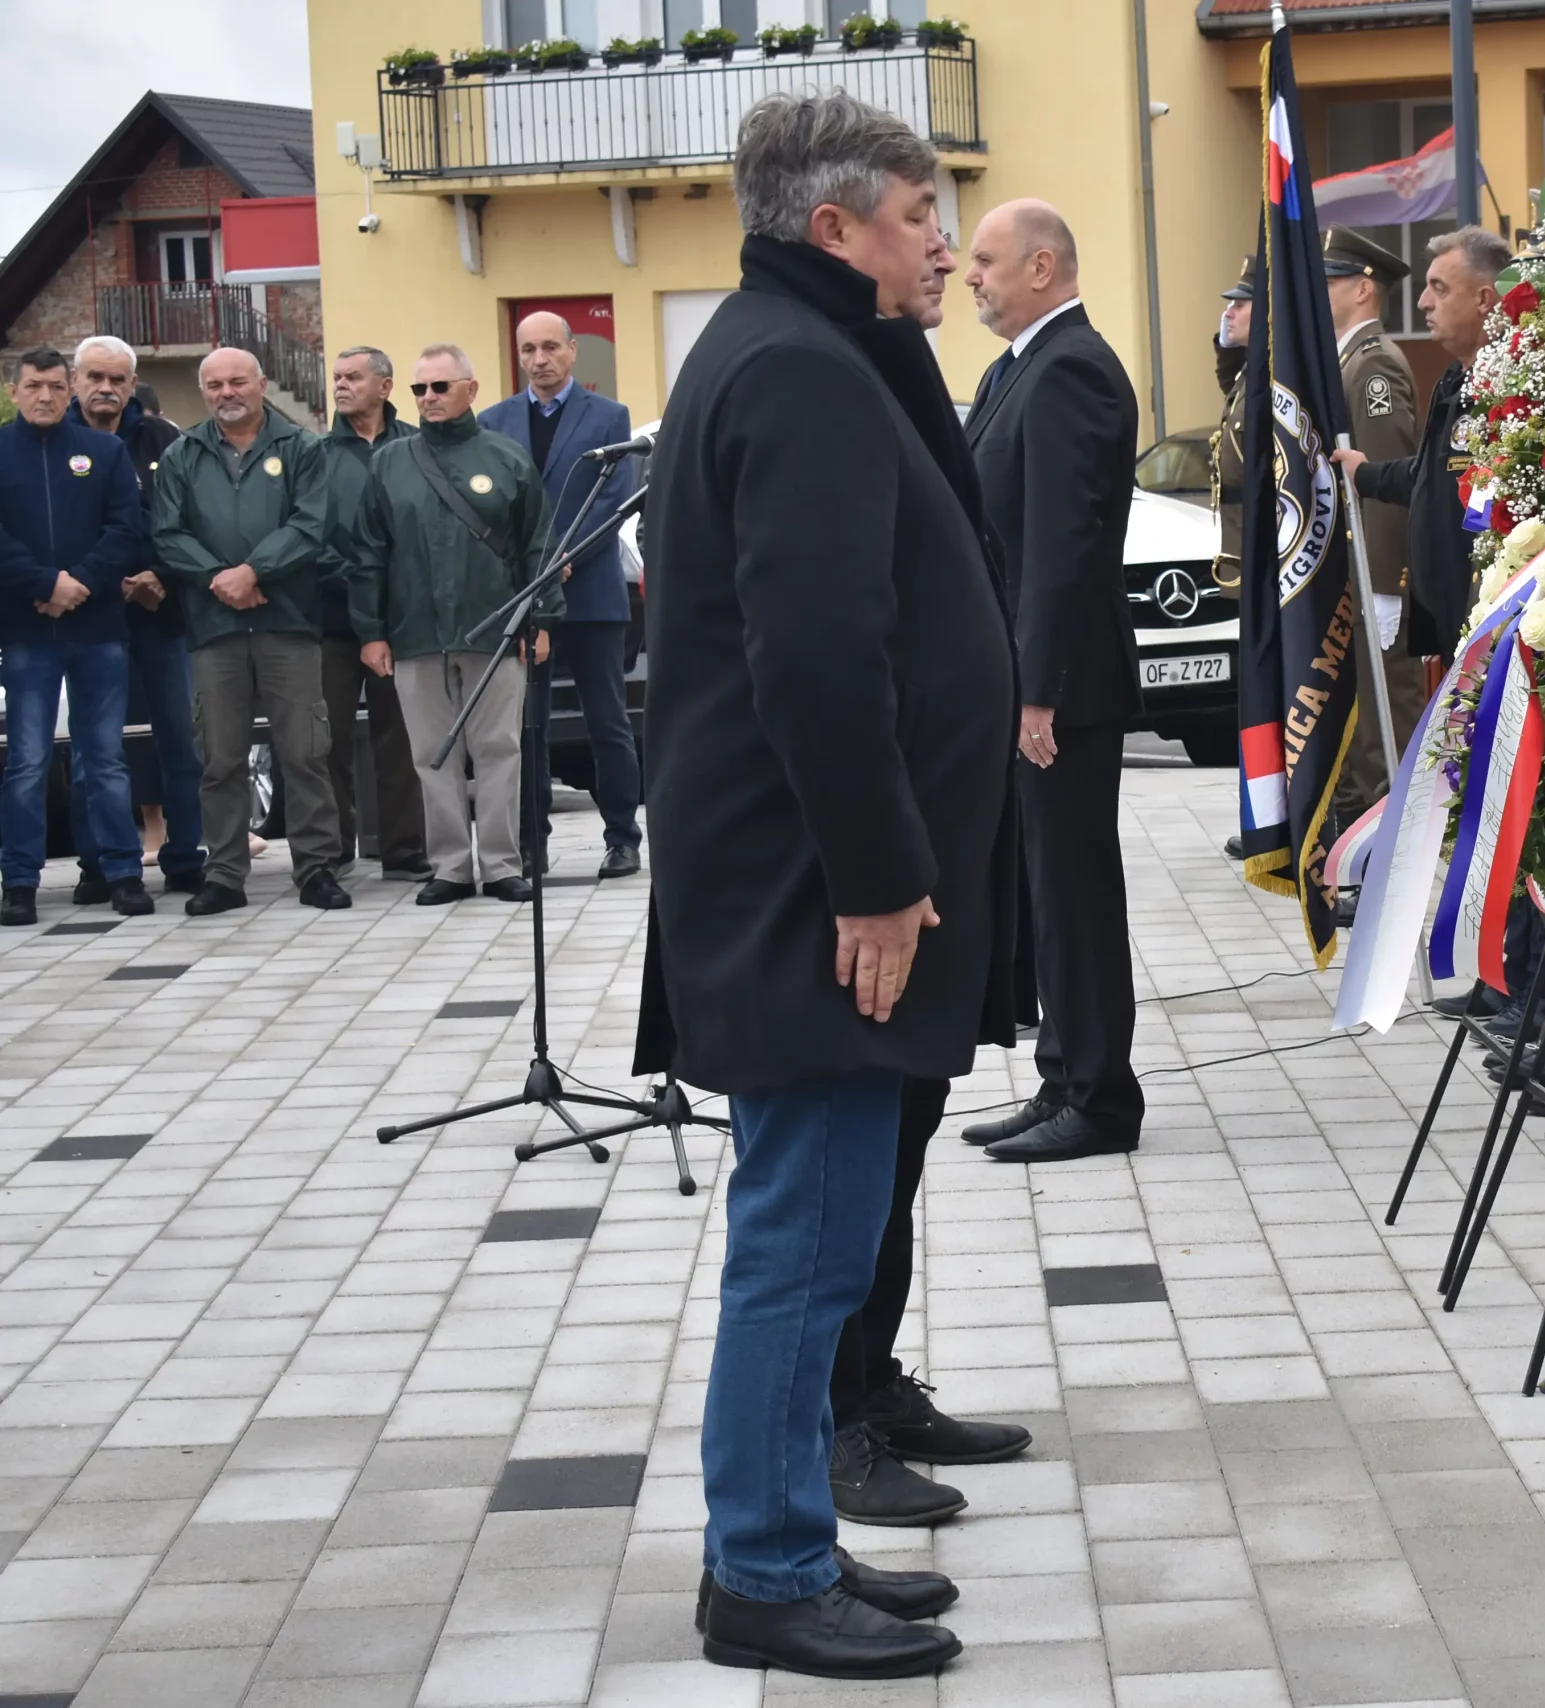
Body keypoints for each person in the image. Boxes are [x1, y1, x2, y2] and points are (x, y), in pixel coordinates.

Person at [633, 87, 1018, 1680]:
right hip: (814, 896)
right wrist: (876, 879)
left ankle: (784, 1522)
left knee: (822, 1233)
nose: (943, 244)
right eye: (922, 216)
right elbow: (812, 655)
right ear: (834, 226)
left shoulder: (807, 346)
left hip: (810, 881)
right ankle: (766, 1574)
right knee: (802, 1243)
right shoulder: (795, 370)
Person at [955, 199, 1144, 1166]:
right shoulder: (1016, 366)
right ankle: (1065, 1077)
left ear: (1041, 265)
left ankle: (1103, 1096)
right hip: (1030, 675)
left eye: (984, 260)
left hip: (1062, 684)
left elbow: (1064, 549)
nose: (968, 275)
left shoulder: (1070, 369)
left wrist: (1040, 691)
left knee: (1073, 890)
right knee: (1045, 886)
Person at [346, 344, 554, 906]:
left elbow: (538, 546)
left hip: (496, 633)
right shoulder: (389, 463)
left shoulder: (507, 458)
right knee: (431, 755)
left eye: (440, 387)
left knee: (499, 750)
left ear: (470, 389)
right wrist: (370, 630)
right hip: (415, 635)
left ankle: (502, 862)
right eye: (420, 389)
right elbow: (368, 553)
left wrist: (540, 621)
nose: (429, 398)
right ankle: (452, 867)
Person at [149, 347, 344, 915]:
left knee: (305, 752)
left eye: (237, 381)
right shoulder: (183, 454)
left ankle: (316, 870)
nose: (226, 393)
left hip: (288, 620)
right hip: (215, 627)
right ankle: (226, 874)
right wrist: (220, 580)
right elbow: (167, 534)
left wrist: (255, 571)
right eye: (214, 385)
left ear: (261, 383)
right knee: (220, 757)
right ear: (203, 390)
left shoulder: (304, 448)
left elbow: (312, 525)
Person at [481, 311, 645, 881]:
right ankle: (533, 844)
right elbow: (492, 507)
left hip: (591, 592)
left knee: (608, 720)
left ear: (573, 351)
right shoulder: (494, 422)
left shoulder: (610, 417)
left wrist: (564, 558)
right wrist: (535, 568)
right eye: (529, 349)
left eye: (551, 347)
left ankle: (623, 838)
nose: (540, 358)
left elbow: (614, 500)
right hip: (529, 597)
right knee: (530, 724)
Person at [0, 347, 152, 927]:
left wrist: (79, 583)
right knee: (28, 761)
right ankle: (19, 882)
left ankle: (122, 872)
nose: (44, 396)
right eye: (33, 385)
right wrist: (45, 584)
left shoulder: (104, 451)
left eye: (55, 387)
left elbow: (128, 529)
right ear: (15, 390)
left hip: (97, 628)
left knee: (106, 757)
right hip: (26, 630)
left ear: (70, 392)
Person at [1333, 224, 1506, 666]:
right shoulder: (1454, 379)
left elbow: (1482, 508)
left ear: (1484, 299)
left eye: (1439, 289)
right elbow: (1429, 475)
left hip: (1485, 620)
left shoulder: (1507, 393)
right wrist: (1365, 474)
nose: (1423, 302)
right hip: (1449, 621)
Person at [69, 333, 205, 896]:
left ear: (131, 384)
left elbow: (188, 519)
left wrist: (160, 576)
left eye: (116, 379)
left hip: (159, 612)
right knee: (91, 747)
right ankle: (97, 864)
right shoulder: (56, 439)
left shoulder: (165, 438)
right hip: (84, 616)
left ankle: (183, 856)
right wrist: (100, 582)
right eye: (94, 378)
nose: (105, 388)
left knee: (180, 741)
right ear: (76, 381)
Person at [1322, 227, 1425, 828]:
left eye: (1330, 280)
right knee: (1362, 719)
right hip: (1352, 570)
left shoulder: (1374, 364)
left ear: (1363, 288)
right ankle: (1367, 842)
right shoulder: (1347, 360)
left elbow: (1387, 481)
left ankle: (1401, 840)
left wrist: (1387, 584)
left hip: (1375, 571)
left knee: (1387, 713)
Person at [316, 346, 429, 880]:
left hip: (401, 620)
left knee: (402, 738)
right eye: (337, 377)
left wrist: (389, 585)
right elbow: (307, 530)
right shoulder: (314, 454)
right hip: (334, 621)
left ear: (384, 386)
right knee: (329, 739)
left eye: (353, 377)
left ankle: (403, 850)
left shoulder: (416, 446)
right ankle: (335, 849)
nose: (341, 385)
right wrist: (357, 577)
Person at [1214, 260, 1255, 864]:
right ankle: (1260, 811)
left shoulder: (1271, 378)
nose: (1227, 312)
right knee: (1250, 692)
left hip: (1267, 563)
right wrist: (1225, 340)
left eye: (1240, 305)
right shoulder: (1248, 376)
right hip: (1243, 563)